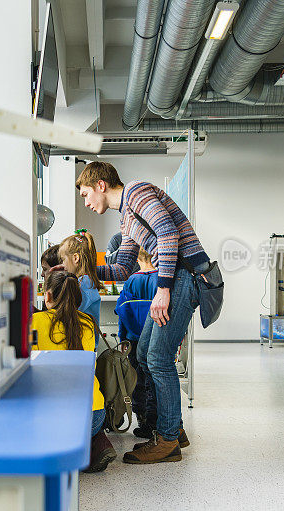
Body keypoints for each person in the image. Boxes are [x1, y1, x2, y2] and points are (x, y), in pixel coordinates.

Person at [76, 161, 209, 465]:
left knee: (159, 358)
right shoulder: (126, 217)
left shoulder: (137, 192)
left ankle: (167, 442)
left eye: (85, 194)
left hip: (182, 278)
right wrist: (80, 269)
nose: (86, 202)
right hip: (173, 279)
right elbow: (123, 267)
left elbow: (167, 235)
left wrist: (162, 289)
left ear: (100, 185)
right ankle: (173, 428)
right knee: (145, 353)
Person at [32, 271, 116, 473]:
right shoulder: (88, 324)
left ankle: (75, 450)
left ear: (47, 296)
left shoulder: (35, 321)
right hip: (95, 412)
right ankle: (91, 444)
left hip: (55, 413)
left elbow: (30, 370)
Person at [114, 249, 158, 439]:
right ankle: (155, 420)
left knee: (137, 379)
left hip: (133, 338)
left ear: (136, 258)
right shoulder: (161, 280)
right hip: (156, 337)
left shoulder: (132, 280)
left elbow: (122, 312)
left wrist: (122, 337)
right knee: (155, 379)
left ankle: (141, 417)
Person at [58, 232, 102, 329]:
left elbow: (68, 312)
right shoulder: (85, 281)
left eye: (63, 259)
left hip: (84, 342)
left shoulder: (84, 283)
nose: (62, 265)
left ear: (75, 258)